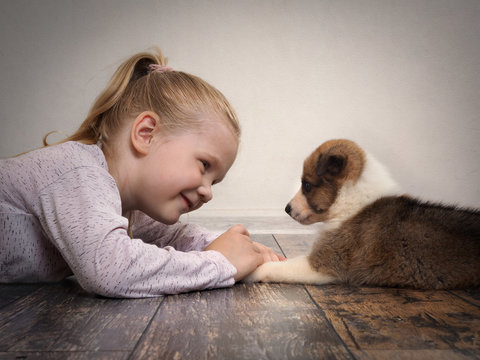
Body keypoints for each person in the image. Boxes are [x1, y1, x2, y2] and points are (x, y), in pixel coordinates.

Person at [0, 48, 284, 298]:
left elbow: (173, 236)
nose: (208, 192)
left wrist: (240, 249)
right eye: (204, 166)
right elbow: (110, 270)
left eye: (215, 182)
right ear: (146, 134)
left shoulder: (124, 203)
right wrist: (221, 263)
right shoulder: (78, 172)